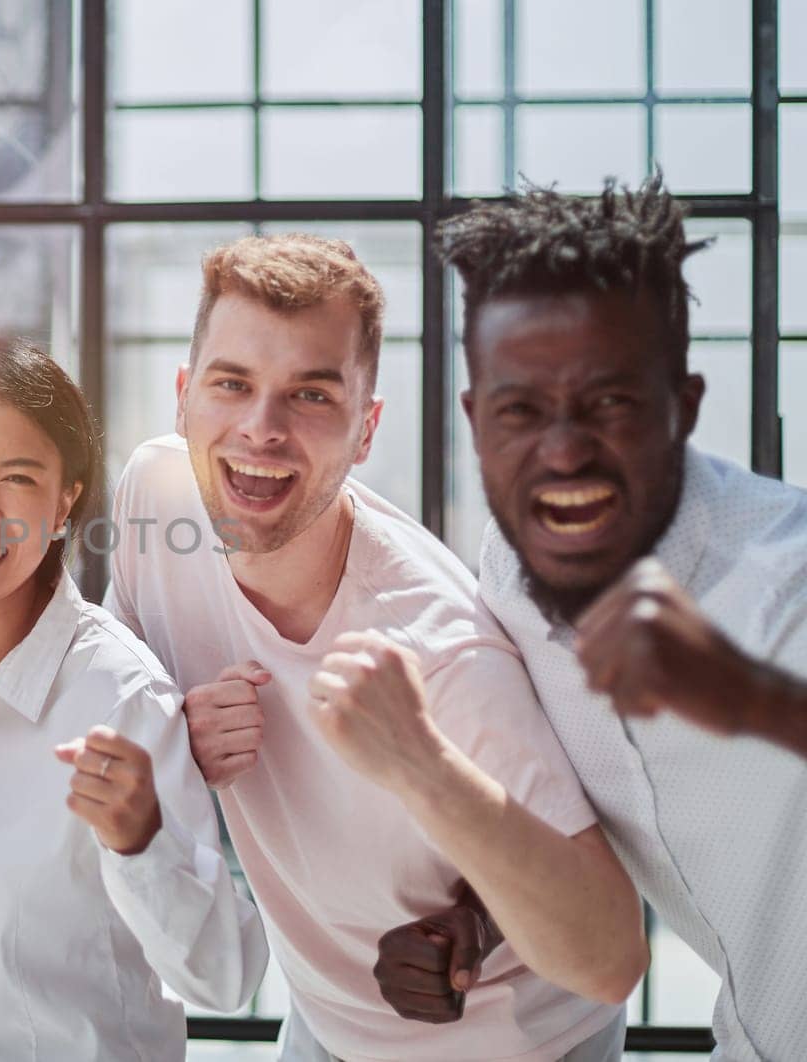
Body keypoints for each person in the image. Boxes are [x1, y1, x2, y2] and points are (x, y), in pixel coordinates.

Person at [105, 234, 647, 1062]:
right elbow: (112, 692)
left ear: (366, 430)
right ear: (184, 397)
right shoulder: (156, 498)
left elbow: (610, 958)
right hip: (325, 1020)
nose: (261, 429)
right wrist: (171, 732)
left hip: (518, 1044)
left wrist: (422, 767)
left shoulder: (439, 646)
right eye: (231, 384)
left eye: (311, 396)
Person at [377, 175, 807, 1059]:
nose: (564, 449)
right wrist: (477, 922)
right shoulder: (505, 576)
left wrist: (752, 697)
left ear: (682, 407)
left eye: (609, 403)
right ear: (475, 420)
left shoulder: (786, 571)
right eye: (520, 412)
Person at [0, 338, 268, 1061]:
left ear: (65, 502)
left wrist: (142, 841)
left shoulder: (122, 695)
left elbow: (225, 980)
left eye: (18, 478)